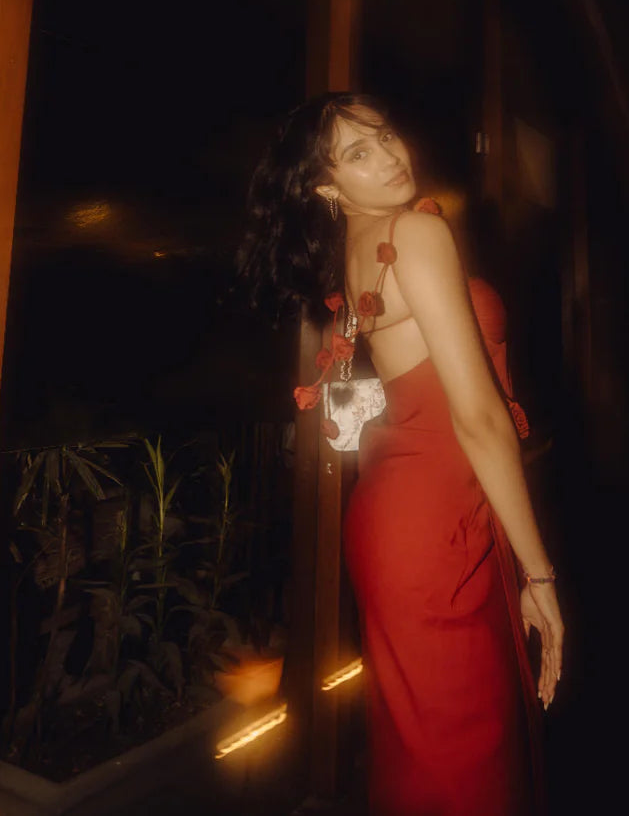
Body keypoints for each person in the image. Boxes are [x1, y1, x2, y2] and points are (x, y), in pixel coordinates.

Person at [239, 94, 563, 816]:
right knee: (464, 758)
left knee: (428, 744)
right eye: (358, 153)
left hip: (404, 517)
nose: (389, 156)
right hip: (434, 527)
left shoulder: (361, 246)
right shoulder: (412, 233)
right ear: (326, 187)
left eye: (384, 136)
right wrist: (539, 572)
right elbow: (478, 417)